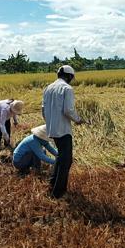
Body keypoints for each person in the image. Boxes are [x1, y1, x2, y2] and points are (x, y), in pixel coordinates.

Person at [42, 65, 85, 199]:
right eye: (72, 77)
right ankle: (58, 193)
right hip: (63, 130)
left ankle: (52, 184)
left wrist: (50, 122)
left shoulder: (48, 88)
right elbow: (68, 110)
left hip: (52, 129)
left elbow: (43, 110)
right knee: (66, 161)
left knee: (60, 157)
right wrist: (78, 120)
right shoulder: (67, 89)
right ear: (69, 76)